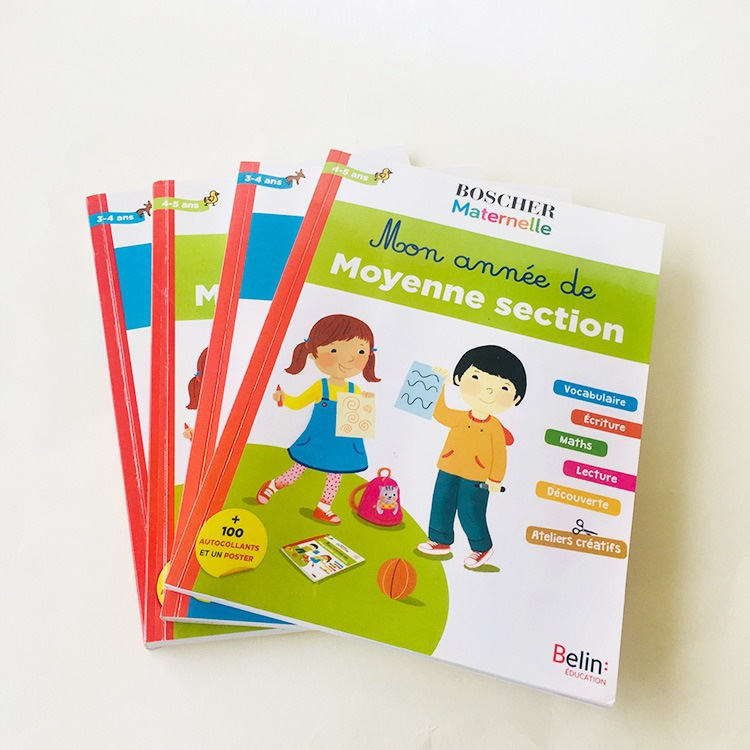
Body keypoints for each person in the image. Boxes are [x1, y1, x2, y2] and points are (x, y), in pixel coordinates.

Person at [255, 314, 380, 524]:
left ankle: (323, 507)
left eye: (360, 352)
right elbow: (298, 402)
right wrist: (283, 398)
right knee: (297, 469)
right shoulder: (321, 387)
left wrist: (365, 407)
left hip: (341, 442)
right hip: (318, 440)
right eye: (334, 350)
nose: (348, 359)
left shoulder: (354, 390)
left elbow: (359, 420)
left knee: (335, 475)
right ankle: (273, 485)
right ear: (313, 354)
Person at [417, 345, 526, 569]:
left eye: (503, 388)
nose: (488, 392)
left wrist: (495, 480)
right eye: (476, 377)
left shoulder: (494, 427)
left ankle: (482, 547)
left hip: (476, 477)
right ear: (459, 378)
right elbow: (440, 413)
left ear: (515, 398)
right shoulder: (460, 417)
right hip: (448, 467)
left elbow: (500, 455)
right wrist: (438, 384)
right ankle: (440, 540)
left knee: (470, 511)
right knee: (441, 503)